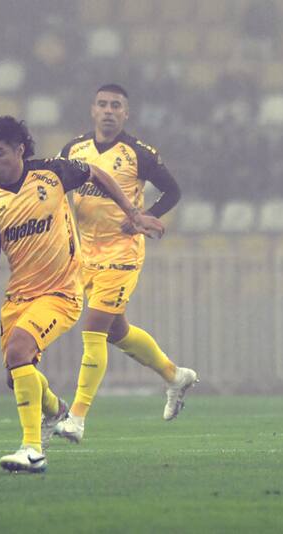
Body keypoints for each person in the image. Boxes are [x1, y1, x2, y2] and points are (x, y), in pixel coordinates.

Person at [0, 116, 163, 473]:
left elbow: (97, 173)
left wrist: (132, 212)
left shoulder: (52, 173)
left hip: (61, 292)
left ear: (19, 150)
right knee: (17, 374)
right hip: (19, 299)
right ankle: (56, 410)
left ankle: (32, 450)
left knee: (19, 350)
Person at [53, 84, 198, 446]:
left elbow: (174, 191)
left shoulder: (139, 153)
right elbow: (53, 187)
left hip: (123, 252)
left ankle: (77, 418)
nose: (108, 111)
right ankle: (175, 376)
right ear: (92, 110)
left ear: (126, 113)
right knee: (116, 331)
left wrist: (144, 217)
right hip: (86, 253)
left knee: (94, 330)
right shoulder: (74, 150)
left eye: (116, 105)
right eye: (102, 104)